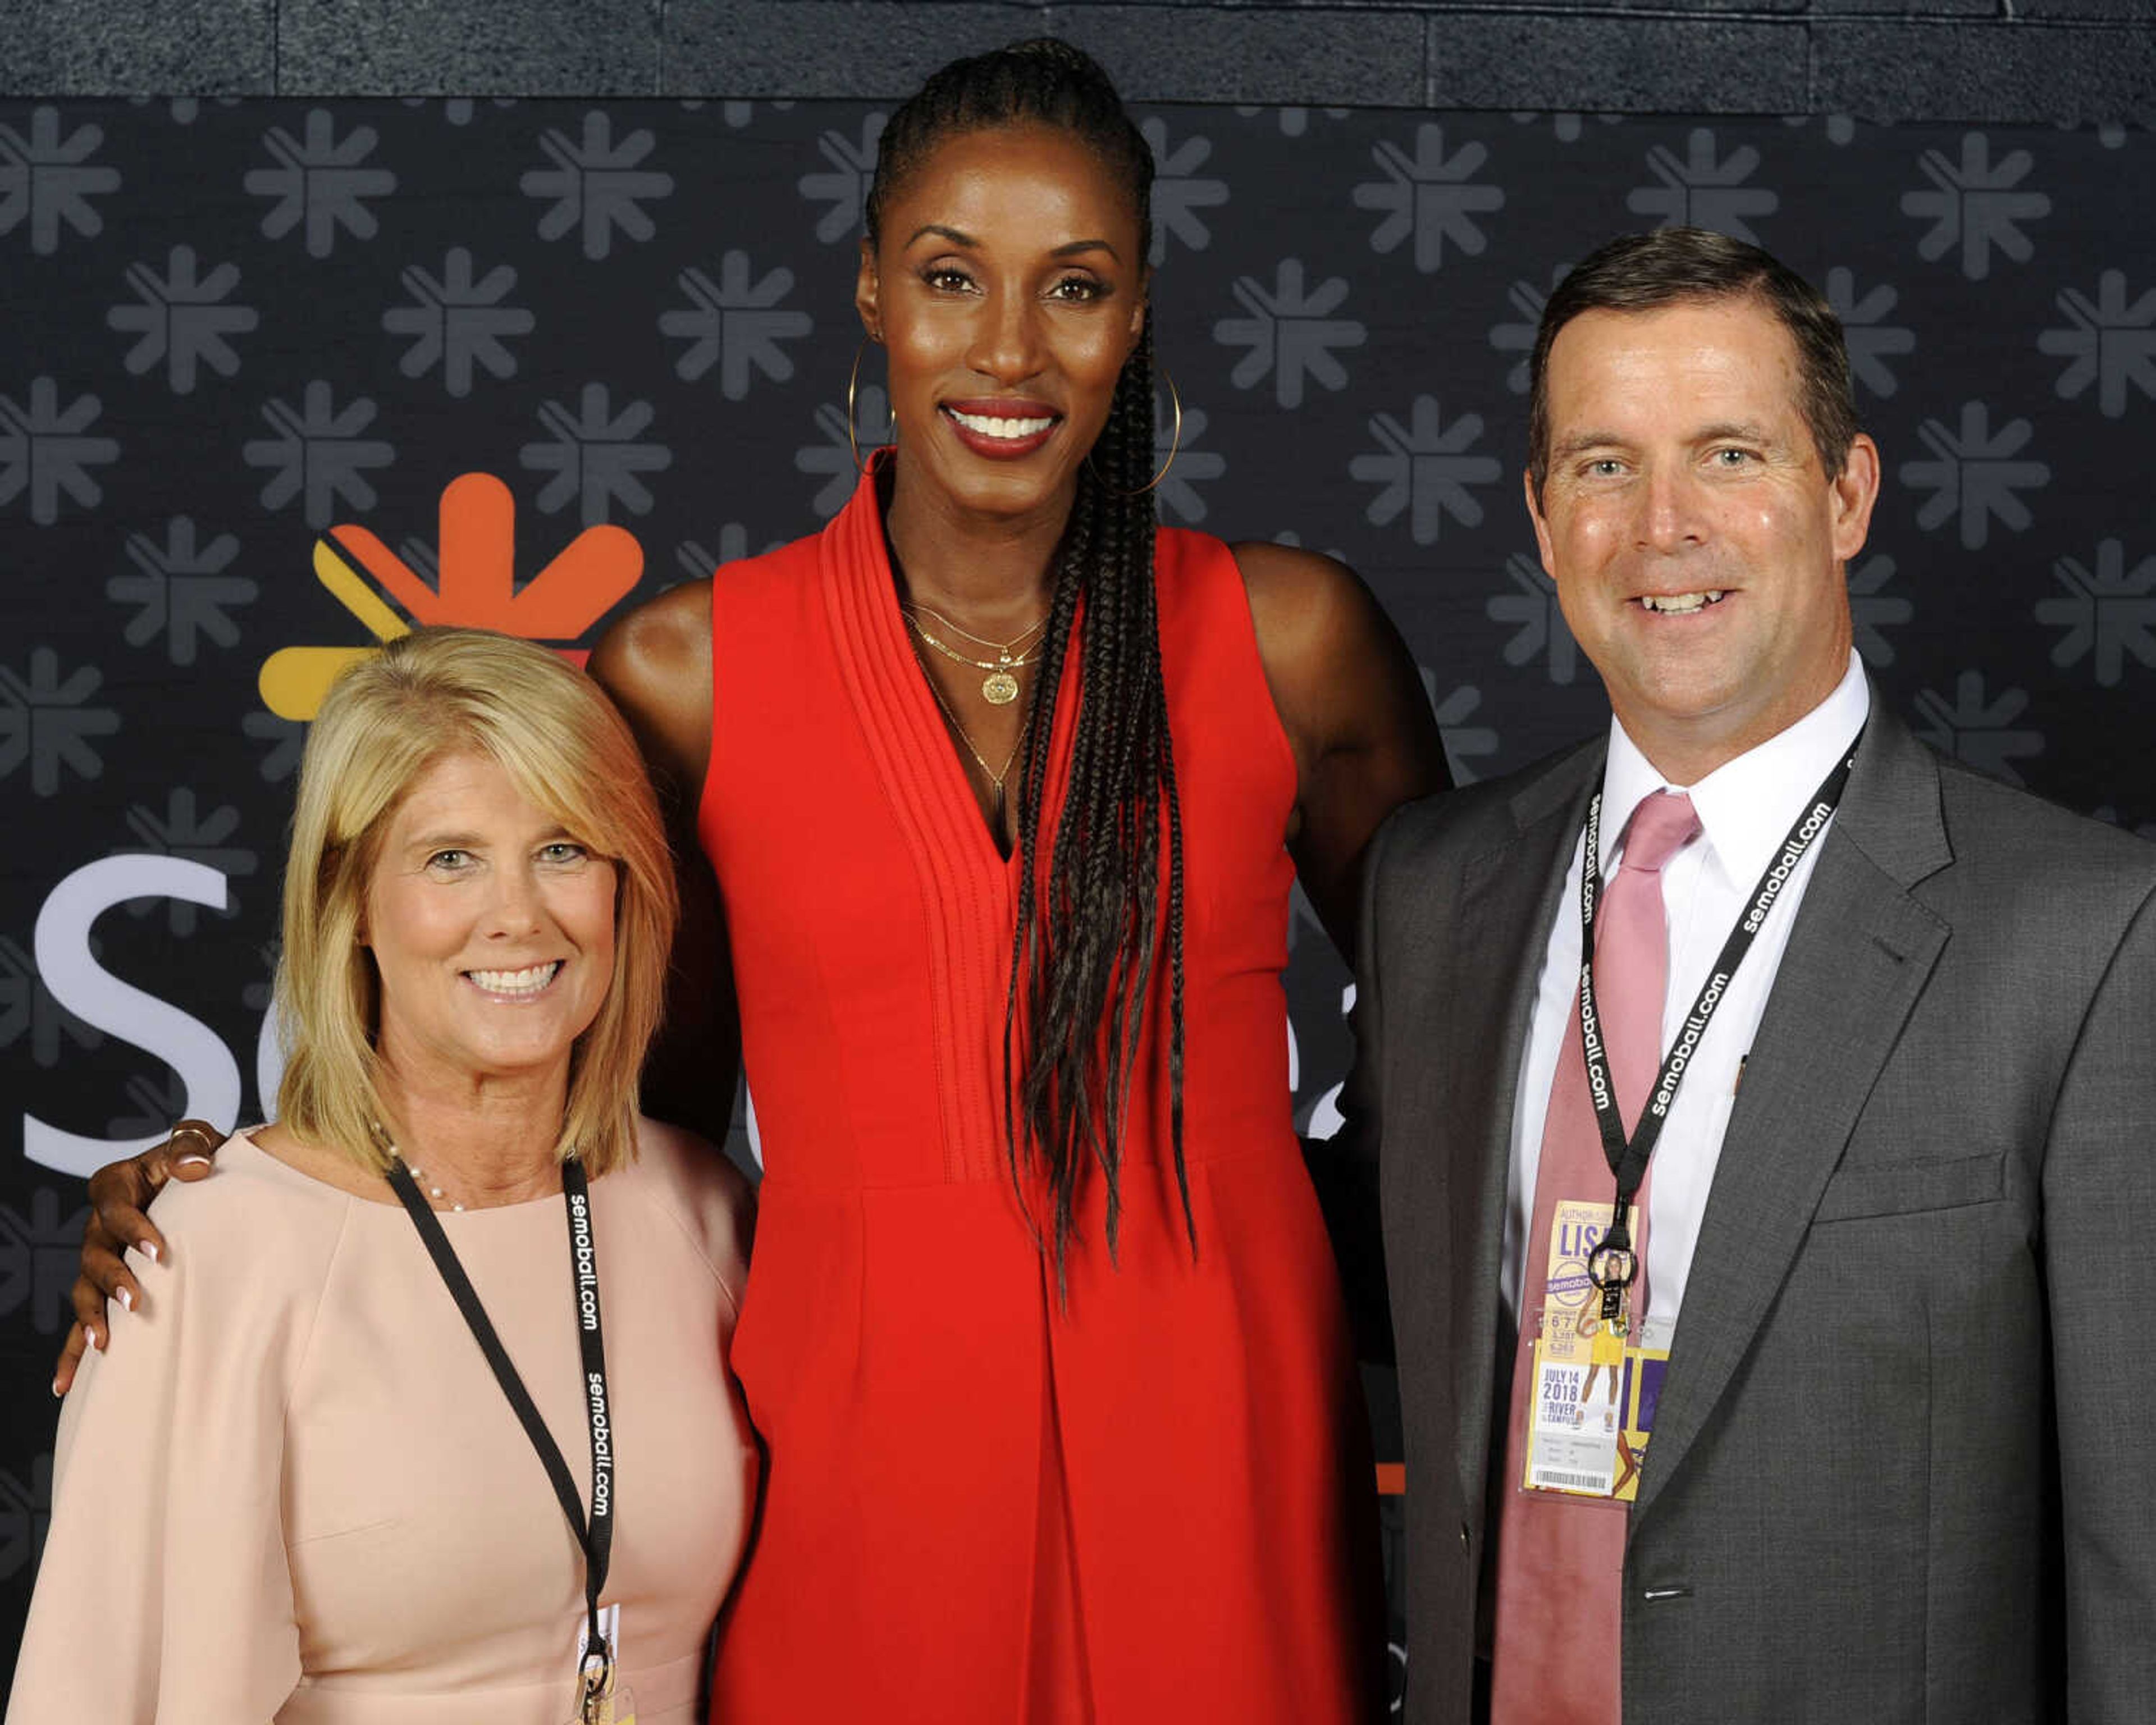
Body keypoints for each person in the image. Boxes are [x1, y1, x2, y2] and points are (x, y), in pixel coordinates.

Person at [61, 40, 1448, 1721]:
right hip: (854, 1449)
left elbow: (1473, 1033)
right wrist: (239, 1213)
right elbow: (611, 1109)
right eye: (951, 279)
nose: (1008, 350)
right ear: (873, 292)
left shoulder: (1290, 636)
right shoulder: (690, 672)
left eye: (1072, 287)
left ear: (1138, 313)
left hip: (1224, 1424)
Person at [1340, 225, 2156, 1722]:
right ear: (1538, 514)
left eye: (1727, 455)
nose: (1663, 527)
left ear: (1845, 495)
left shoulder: (2090, 937)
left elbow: (2138, 1567)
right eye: (1602, 465)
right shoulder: (1433, 890)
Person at [13, 629, 756, 1723]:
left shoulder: (702, 1213)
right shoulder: (203, 1258)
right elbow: (94, 1694)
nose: (519, 914)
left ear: (625, 884)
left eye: (564, 849)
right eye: (451, 858)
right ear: (352, 902)